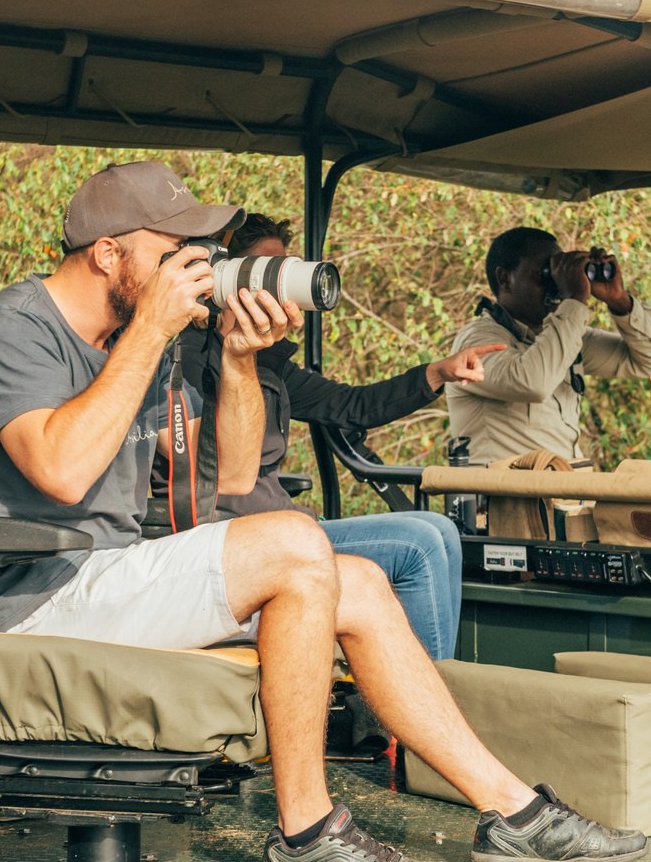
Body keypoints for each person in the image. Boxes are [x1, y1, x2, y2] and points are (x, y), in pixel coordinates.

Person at [0, 163, 647, 862]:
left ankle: (512, 811)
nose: (194, 263)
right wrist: (148, 331)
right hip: (36, 601)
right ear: (108, 253)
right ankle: (306, 836)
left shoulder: (146, 344)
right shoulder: (14, 323)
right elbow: (61, 470)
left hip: (112, 577)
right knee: (300, 542)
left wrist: (239, 358)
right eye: (173, 247)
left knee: (361, 582)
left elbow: (236, 476)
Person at [175, 213, 503, 660]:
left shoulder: (271, 367)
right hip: (238, 538)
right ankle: (420, 713)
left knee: (438, 528)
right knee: (419, 543)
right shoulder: (184, 363)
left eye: (283, 269)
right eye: (263, 271)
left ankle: (430, 693)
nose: (276, 283)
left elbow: (352, 406)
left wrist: (437, 373)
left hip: (286, 523)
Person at [447, 227, 651, 466]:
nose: (555, 286)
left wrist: (618, 299)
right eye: (546, 275)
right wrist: (575, 298)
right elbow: (533, 383)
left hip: (565, 497)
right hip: (507, 500)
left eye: (560, 276)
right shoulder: (475, 342)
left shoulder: (560, 338)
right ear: (505, 278)